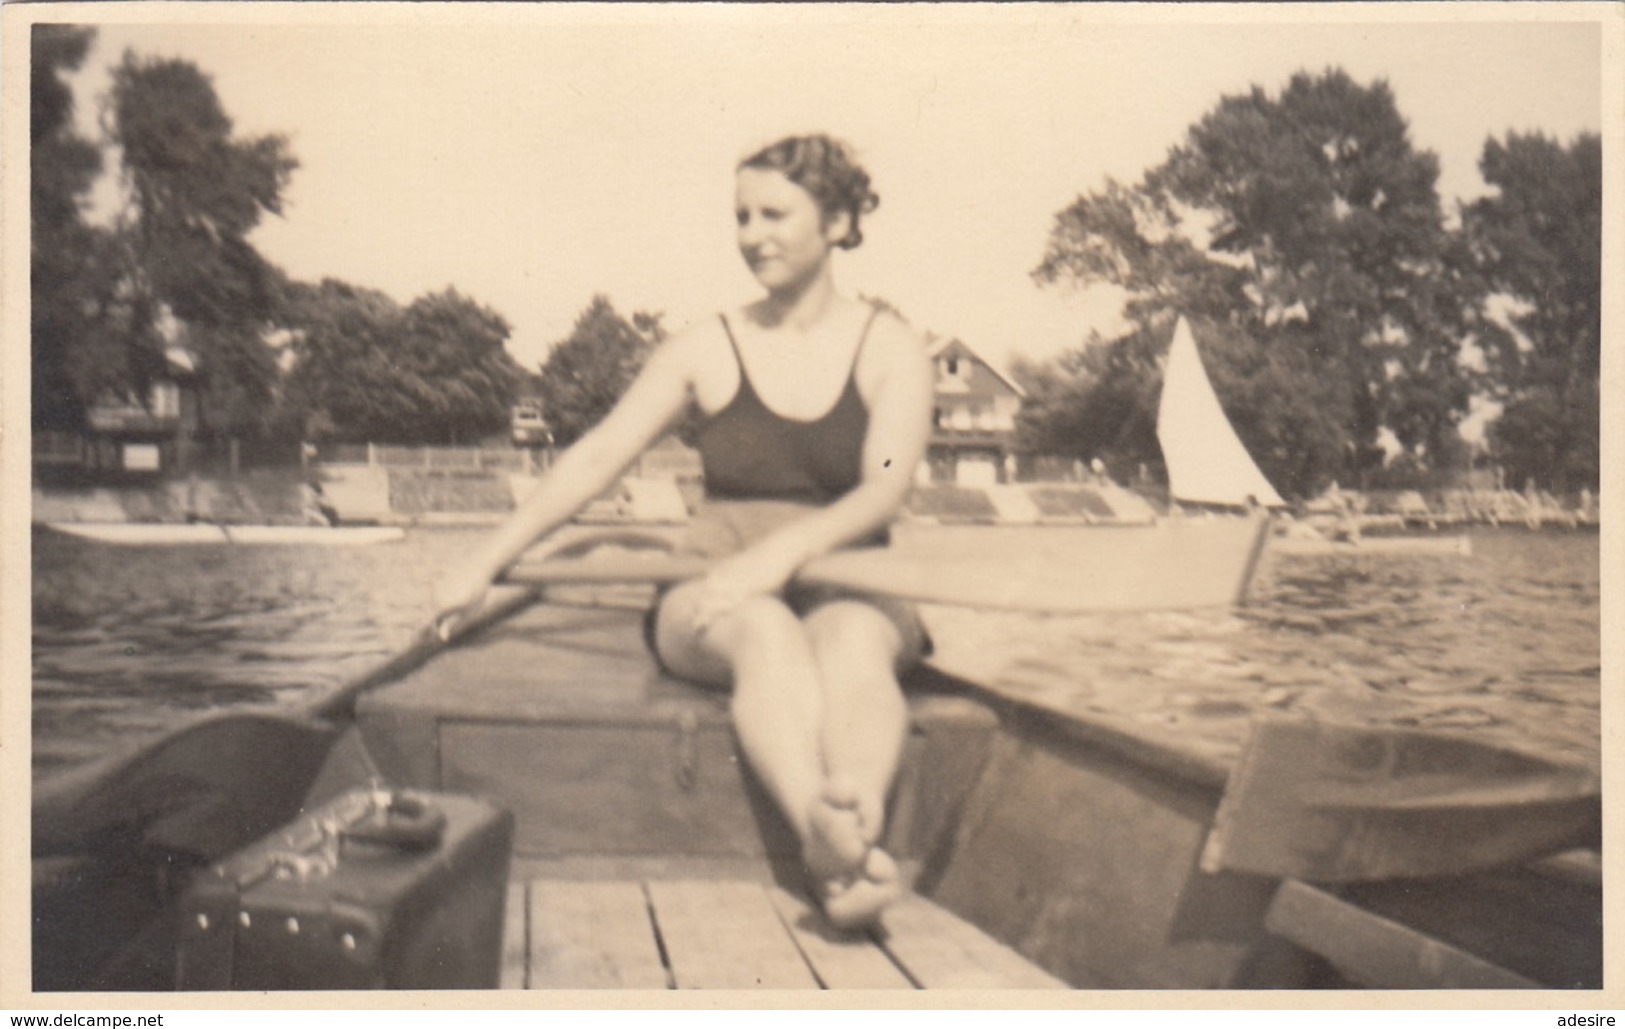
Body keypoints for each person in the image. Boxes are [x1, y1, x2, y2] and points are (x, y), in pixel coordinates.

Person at [432, 134, 934, 929]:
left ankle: (858, 812)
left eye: (775, 213)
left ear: (837, 222)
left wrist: (781, 555)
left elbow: (882, 491)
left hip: (848, 577)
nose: (751, 234)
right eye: (741, 216)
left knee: (853, 647)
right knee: (766, 632)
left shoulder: (892, 347)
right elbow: (596, 457)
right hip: (717, 579)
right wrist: (485, 560)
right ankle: (820, 829)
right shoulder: (704, 345)